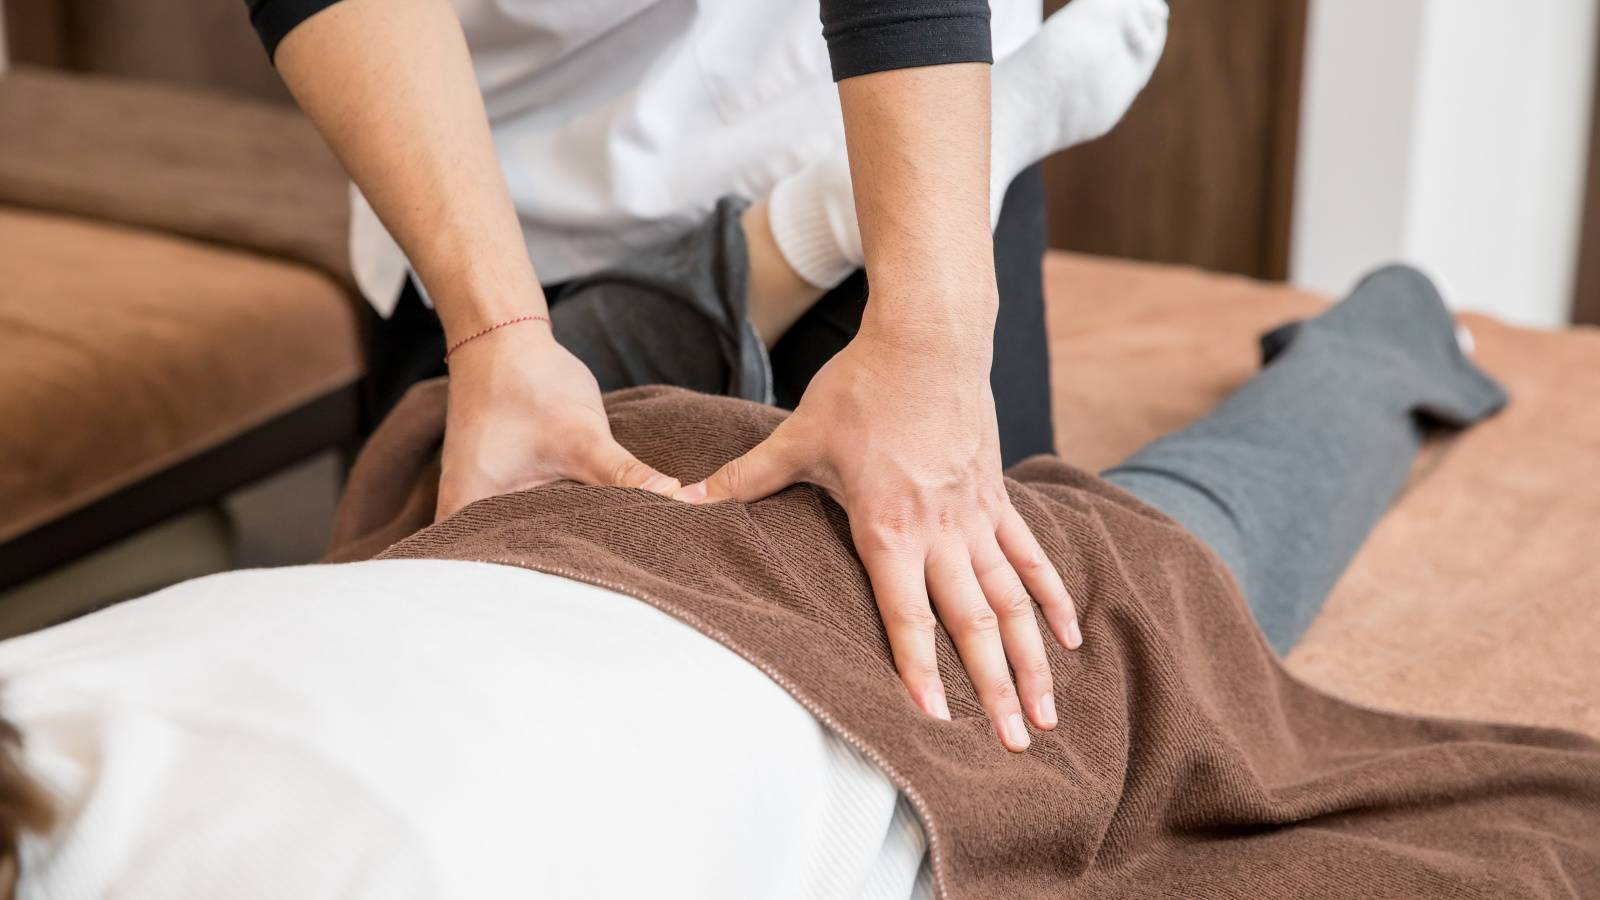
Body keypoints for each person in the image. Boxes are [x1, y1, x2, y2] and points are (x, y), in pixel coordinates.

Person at [0, 265, 1525, 899]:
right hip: (551, 524)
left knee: (1173, 553)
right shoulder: (37, 700)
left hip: (726, 593)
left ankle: (1379, 337)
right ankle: (742, 304)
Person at [244, 0, 1169, 743]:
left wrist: (932, 342)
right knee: (1028, 704)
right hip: (483, 146)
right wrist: (497, 331)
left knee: (995, 634)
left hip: (883, 97)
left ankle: (864, 201)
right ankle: (825, 221)